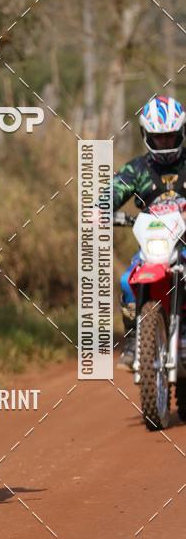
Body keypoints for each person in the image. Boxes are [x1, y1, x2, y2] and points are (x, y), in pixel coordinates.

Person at [113, 95, 186, 368]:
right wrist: (99, 209)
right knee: (126, 280)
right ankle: (134, 339)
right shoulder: (138, 168)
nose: (165, 142)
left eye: (170, 136)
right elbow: (115, 189)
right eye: (159, 137)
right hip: (156, 244)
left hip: (185, 242)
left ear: (180, 133)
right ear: (147, 136)